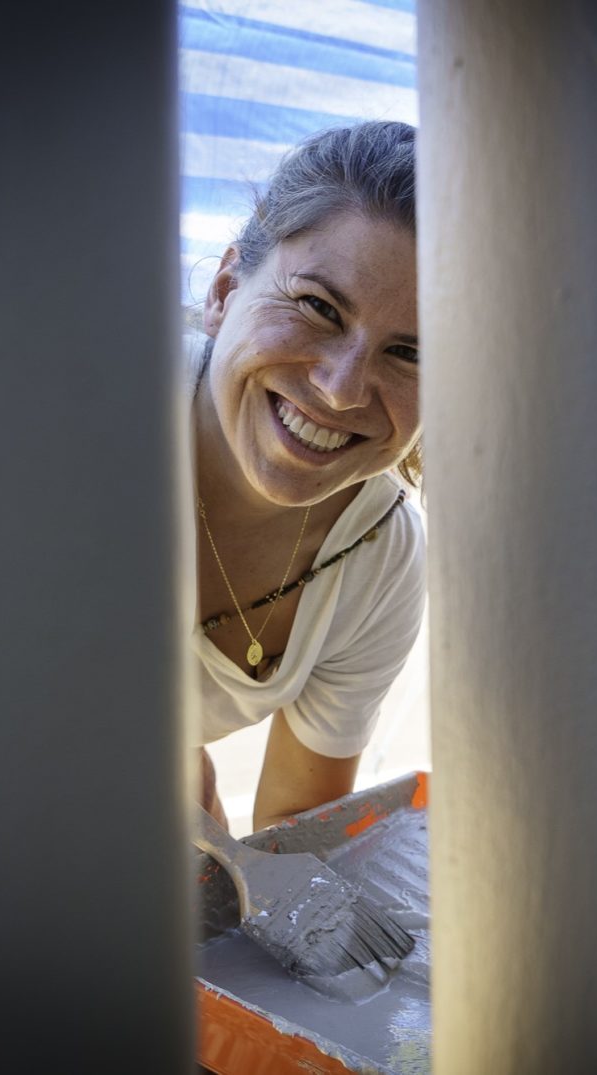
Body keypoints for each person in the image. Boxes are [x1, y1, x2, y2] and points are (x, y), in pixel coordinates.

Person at [190, 121, 425, 831]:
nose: (343, 388)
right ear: (225, 287)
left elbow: (296, 836)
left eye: (410, 352)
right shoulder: (70, 414)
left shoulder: (380, 560)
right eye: (318, 307)